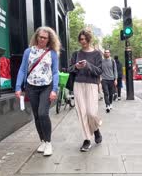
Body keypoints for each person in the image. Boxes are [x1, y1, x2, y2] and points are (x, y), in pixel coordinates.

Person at [15, 27, 60, 157]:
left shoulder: (52, 53)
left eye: (45, 38)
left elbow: (55, 72)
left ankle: (49, 142)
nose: (42, 39)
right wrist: (18, 87)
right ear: (36, 37)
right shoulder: (28, 52)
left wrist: (54, 89)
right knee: (36, 115)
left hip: (46, 86)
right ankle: (42, 141)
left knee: (42, 113)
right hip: (31, 86)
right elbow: (22, 70)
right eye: (40, 37)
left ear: (49, 40)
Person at [68, 29, 103, 152]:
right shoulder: (76, 54)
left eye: (84, 39)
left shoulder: (97, 54)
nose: (82, 41)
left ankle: (96, 129)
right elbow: (70, 69)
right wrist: (76, 67)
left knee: (91, 113)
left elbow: (99, 71)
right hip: (78, 84)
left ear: (89, 39)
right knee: (81, 113)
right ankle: (87, 140)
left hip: (92, 85)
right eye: (80, 39)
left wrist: (88, 65)